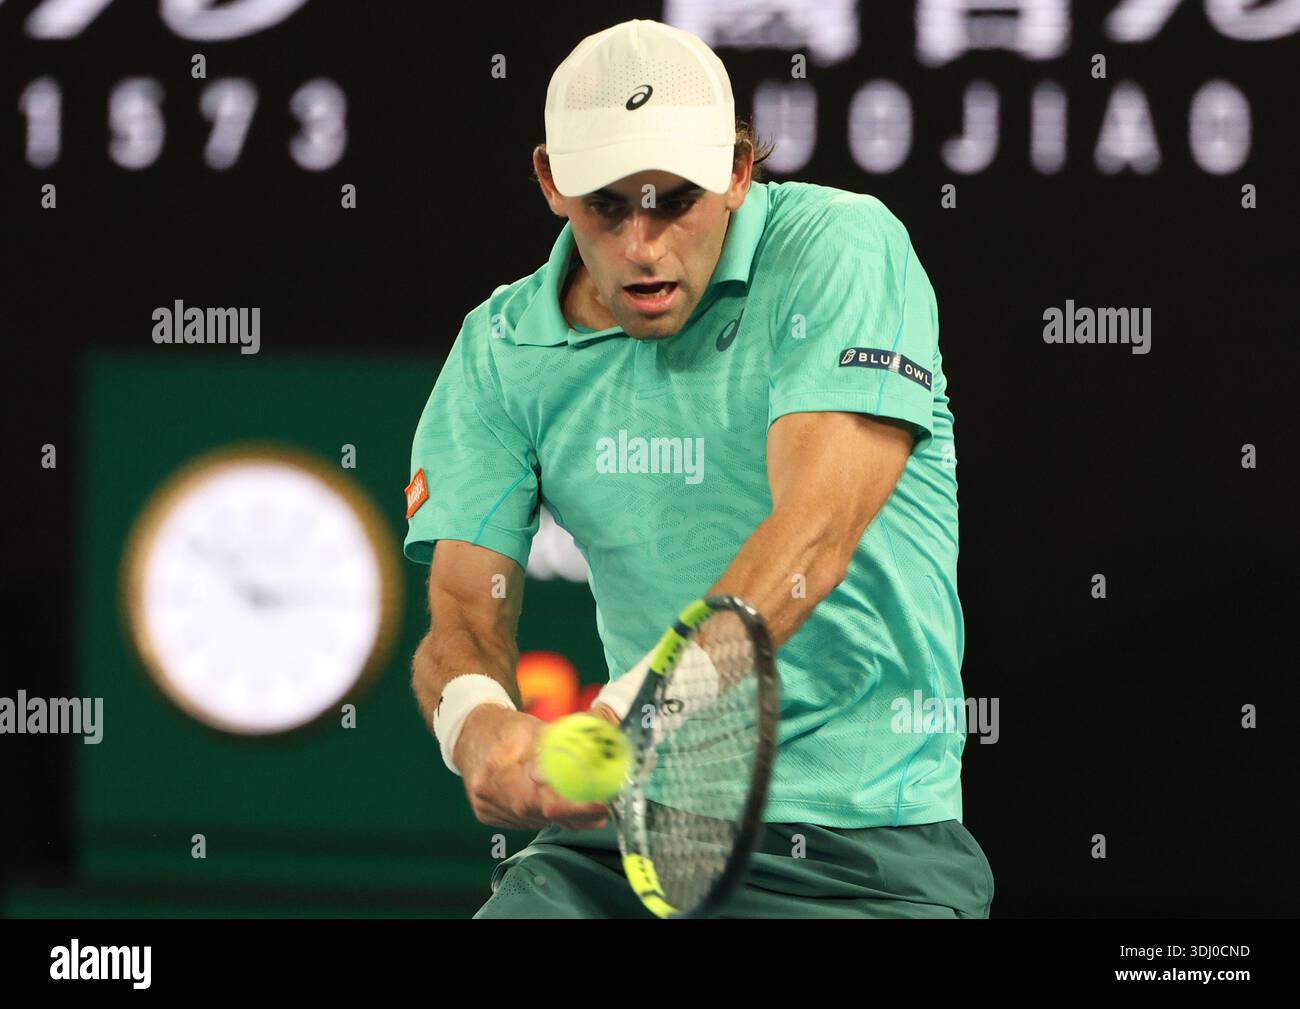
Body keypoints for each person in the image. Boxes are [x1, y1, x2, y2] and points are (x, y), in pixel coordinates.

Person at [404, 18, 993, 918]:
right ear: (551, 183)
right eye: (608, 204)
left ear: (738, 170)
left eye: (675, 200)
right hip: (616, 848)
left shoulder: (842, 249)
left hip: (864, 850)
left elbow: (813, 535)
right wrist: (475, 721)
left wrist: (629, 713)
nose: (643, 245)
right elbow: (460, 611)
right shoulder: (499, 347)